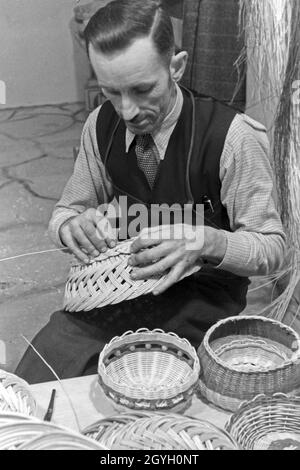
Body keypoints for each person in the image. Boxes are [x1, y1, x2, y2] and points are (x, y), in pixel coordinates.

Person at [16, 0, 286, 383]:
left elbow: (273, 248)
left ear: (176, 66)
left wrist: (208, 242)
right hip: (120, 288)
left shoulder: (233, 138)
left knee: (136, 386)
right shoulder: (100, 124)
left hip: (199, 297)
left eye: (143, 90)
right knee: (39, 374)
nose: (127, 110)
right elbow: (65, 211)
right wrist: (71, 227)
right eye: (112, 92)